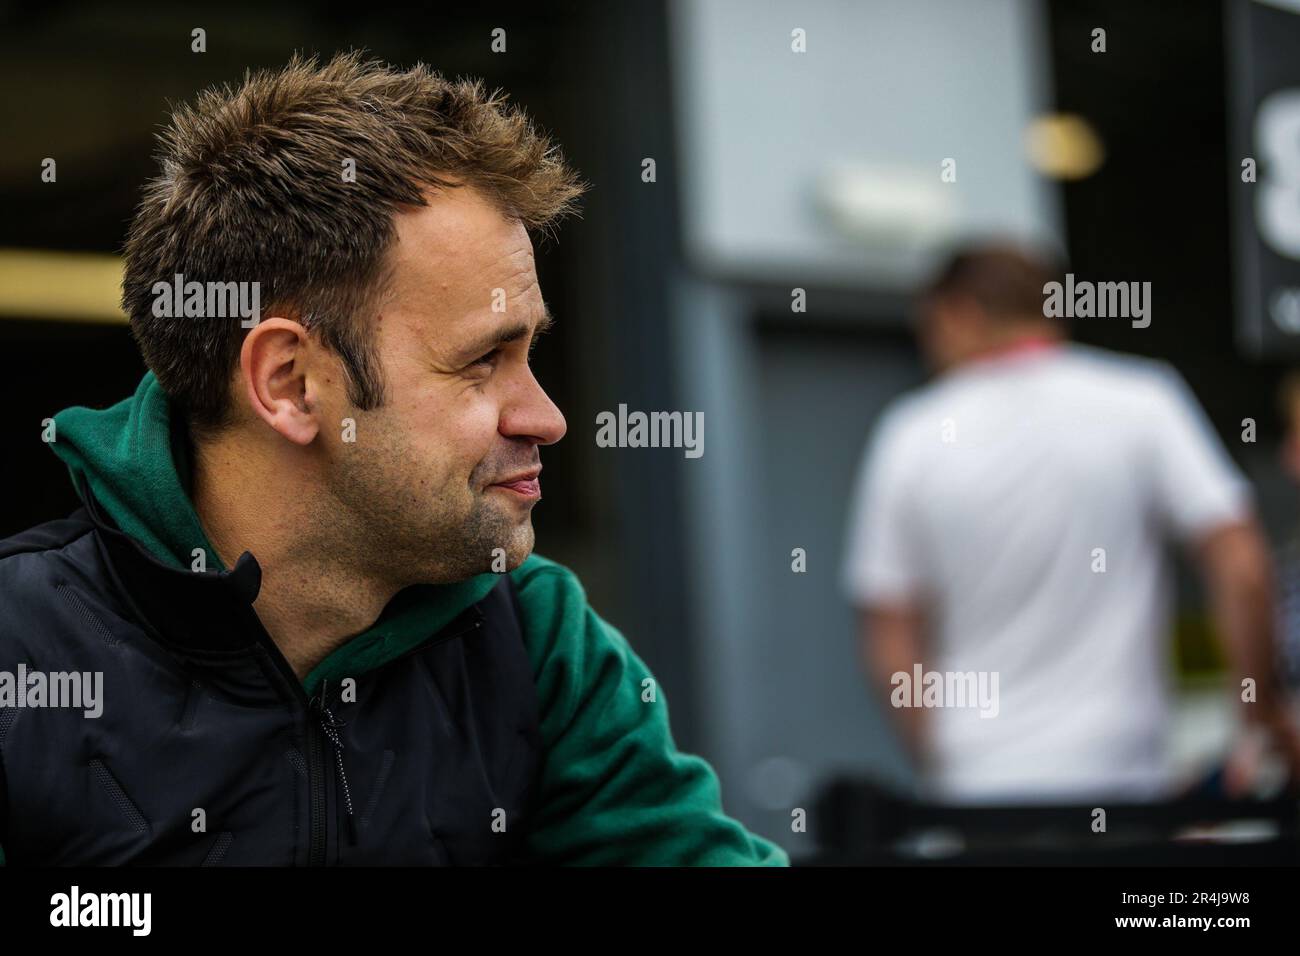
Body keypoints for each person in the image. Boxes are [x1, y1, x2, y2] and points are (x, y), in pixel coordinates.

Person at [0, 53, 786, 866]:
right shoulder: (19, 652)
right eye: (483, 361)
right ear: (292, 384)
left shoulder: (537, 640)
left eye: (531, 353)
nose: (547, 418)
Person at [840, 241, 1300, 805]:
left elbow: (888, 633)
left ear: (961, 315)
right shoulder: (1141, 401)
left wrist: (939, 753)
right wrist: (1260, 716)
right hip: (1128, 775)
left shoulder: (910, 433)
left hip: (979, 785)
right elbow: (1242, 567)